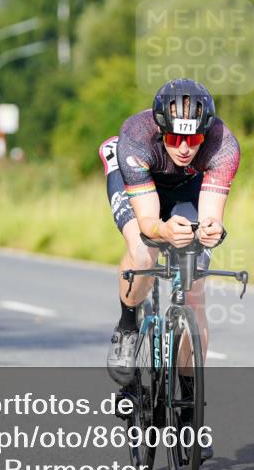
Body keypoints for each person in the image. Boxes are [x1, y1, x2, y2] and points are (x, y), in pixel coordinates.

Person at [100, 79, 240, 385]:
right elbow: (149, 222)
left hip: (185, 190)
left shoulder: (224, 146)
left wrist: (211, 230)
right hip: (136, 183)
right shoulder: (135, 138)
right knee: (143, 251)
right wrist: (163, 230)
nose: (186, 148)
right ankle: (127, 327)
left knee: (195, 289)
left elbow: (211, 215)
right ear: (162, 130)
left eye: (195, 139)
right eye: (176, 139)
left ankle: (190, 389)